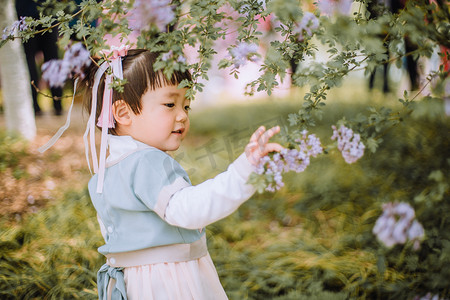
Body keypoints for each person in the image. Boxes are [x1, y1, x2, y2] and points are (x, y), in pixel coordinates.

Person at [79, 47, 283, 299]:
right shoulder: (148, 162)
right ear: (123, 113)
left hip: (132, 282)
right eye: (170, 104)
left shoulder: (105, 172)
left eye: (186, 105)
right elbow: (189, 210)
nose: (182, 116)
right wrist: (243, 172)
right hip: (168, 281)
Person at [15, 0, 63, 116]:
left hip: (26, 16)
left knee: (30, 62)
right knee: (52, 62)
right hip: (47, 14)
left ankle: (36, 107)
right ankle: (57, 105)